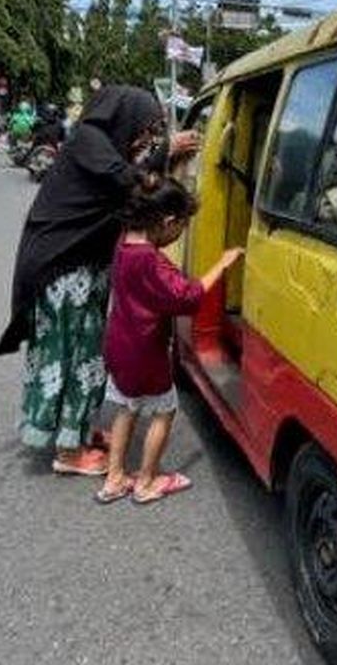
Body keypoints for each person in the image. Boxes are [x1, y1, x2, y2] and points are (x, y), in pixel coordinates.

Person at [0, 86, 200, 476]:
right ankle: (69, 452)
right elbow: (127, 181)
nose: (144, 138)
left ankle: (78, 433)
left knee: (85, 353)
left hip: (79, 266)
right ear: (124, 117)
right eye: (144, 128)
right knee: (72, 357)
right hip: (63, 268)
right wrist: (167, 150)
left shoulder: (103, 146)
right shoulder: (89, 140)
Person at [95, 177, 243, 504]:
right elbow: (187, 297)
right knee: (165, 410)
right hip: (145, 350)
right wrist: (222, 264)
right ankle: (146, 482)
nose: (180, 234)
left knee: (126, 407)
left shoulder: (123, 242)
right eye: (182, 227)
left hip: (119, 344)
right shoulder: (149, 259)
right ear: (167, 222)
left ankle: (115, 478)